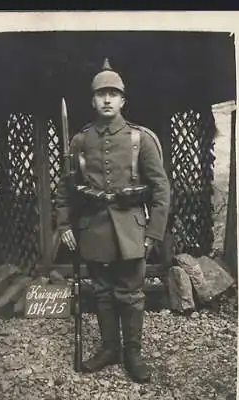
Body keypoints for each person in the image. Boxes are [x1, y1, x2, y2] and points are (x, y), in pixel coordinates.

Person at [56, 58, 170, 383]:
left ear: (123, 100)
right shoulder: (80, 141)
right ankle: (109, 349)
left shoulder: (140, 139)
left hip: (132, 231)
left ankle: (132, 353)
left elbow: (161, 189)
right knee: (102, 292)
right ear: (92, 100)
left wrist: (154, 233)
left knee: (131, 294)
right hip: (93, 231)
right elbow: (66, 190)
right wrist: (64, 225)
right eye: (101, 94)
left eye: (113, 93)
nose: (107, 99)